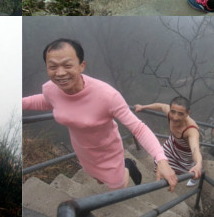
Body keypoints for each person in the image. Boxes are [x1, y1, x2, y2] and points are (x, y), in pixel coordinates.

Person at [23, 39, 178, 191]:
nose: (60, 73)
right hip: (82, 150)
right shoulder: (51, 89)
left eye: (67, 65)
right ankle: (111, 172)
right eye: (52, 67)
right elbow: (48, 101)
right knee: (98, 180)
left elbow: (138, 128)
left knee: (117, 186)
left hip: (107, 151)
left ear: (81, 65)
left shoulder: (107, 96)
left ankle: (127, 166)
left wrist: (161, 159)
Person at [135, 97, 204, 186]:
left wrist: (198, 164)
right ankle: (163, 176)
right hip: (171, 144)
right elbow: (160, 106)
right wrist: (143, 107)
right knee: (158, 160)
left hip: (184, 154)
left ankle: (195, 178)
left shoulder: (191, 129)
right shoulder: (170, 111)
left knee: (187, 170)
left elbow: (195, 149)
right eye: (173, 112)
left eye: (180, 114)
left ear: (187, 113)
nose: (175, 117)